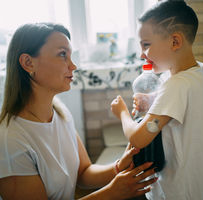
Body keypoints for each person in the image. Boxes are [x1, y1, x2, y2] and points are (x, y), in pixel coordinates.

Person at [0, 22, 158, 200]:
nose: (73, 65)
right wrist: (111, 193)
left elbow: (83, 173)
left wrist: (119, 166)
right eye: (62, 55)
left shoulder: (60, 113)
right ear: (28, 63)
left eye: (70, 55)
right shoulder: (10, 141)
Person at [111, 1, 203, 199]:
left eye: (146, 45)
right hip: (193, 185)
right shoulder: (195, 73)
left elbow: (139, 138)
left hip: (178, 191)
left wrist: (122, 112)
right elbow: (177, 105)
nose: (142, 54)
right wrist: (152, 100)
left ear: (175, 41)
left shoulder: (177, 85)